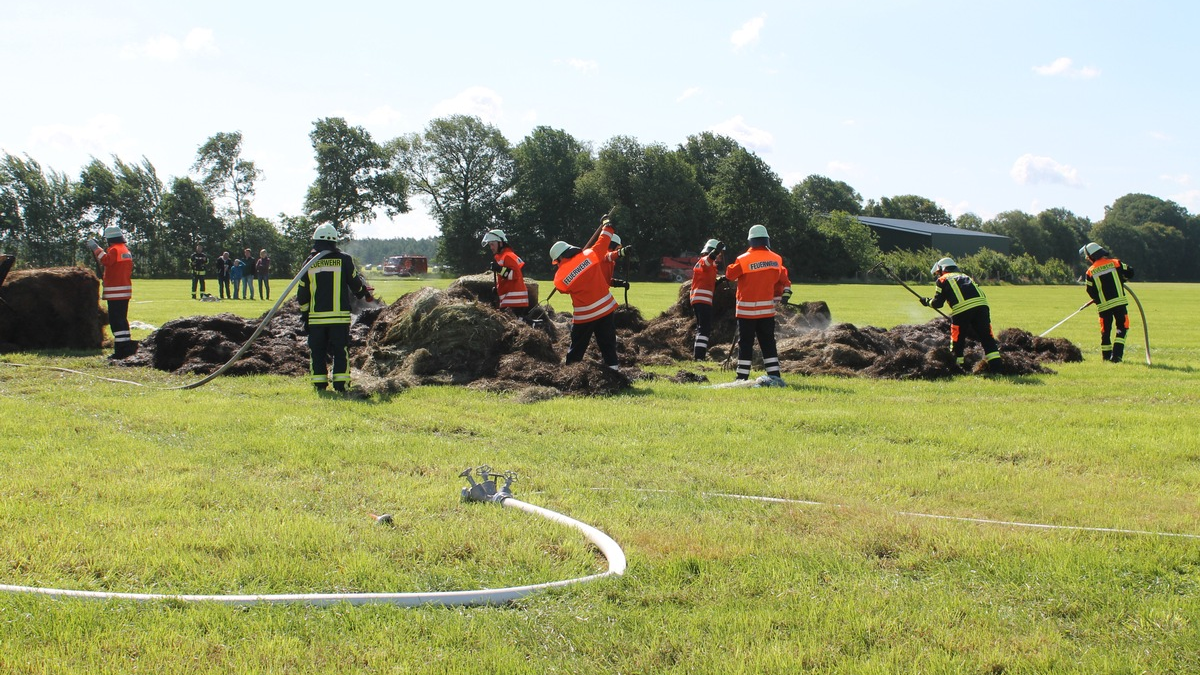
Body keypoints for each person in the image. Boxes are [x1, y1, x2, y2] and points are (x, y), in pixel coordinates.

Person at [297, 224, 374, 393]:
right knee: (340, 350)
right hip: (339, 317)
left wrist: (305, 314)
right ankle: (341, 385)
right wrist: (363, 293)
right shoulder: (344, 259)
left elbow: (302, 293)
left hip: (316, 318)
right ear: (334, 241)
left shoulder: (309, 262)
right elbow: (355, 283)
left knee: (317, 351)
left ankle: (319, 385)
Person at [550, 215, 623, 371]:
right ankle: (614, 370)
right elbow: (603, 241)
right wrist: (607, 225)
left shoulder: (559, 277)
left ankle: (570, 372)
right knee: (607, 343)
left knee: (577, 346)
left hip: (585, 316)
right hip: (605, 309)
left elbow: (563, 289)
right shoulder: (590, 255)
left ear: (560, 258)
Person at [725, 225, 791, 385]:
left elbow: (730, 275)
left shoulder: (743, 259)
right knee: (768, 342)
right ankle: (774, 374)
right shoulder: (776, 259)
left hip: (746, 311)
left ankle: (742, 377)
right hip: (767, 311)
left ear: (751, 241)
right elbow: (781, 281)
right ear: (766, 240)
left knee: (746, 343)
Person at [921, 257, 1001, 369]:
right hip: (982, 306)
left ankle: (959, 366)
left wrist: (927, 302)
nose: (939, 275)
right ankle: (997, 366)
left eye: (939, 273)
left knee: (957, 338)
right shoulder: (965, 276)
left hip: (962, 309)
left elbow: (937, 303)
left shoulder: (942, 280)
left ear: (943, 269)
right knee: (986, 337)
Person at [1080, 242, 1135, 362]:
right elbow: (1130, 272)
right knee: (1122, 328)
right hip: (1119, 304)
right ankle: (1116, 357)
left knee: (1105, 332)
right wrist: (1123, 278)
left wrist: (1097, 300)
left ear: (1092, 256)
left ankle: (1106, 357)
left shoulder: (1090, 272)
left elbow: (1090, 290)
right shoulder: (1116, 263)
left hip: (1104, 307)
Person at [87, 226, 136, 359]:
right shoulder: (125, 249)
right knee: (122, 319)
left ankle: (121, 350)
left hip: (115, 292)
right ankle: (126, 344)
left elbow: (106, 260)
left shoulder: (114, 250)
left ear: (109, 239)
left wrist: (96, 248)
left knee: (115, 320)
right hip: (124, 290)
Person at [690, 238, 725, 360]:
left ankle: (698, 355)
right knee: (704, 328)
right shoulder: (706, 260)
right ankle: (699, 356)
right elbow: (708, 260)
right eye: (719, 254)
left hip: (698, 299)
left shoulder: (707, 265)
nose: (720, 257)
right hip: (703, 300)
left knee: (701, 327)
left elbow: (706, 281)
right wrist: (716, 251)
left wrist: (719, 281)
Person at [481, 229, 529, 317]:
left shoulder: (508, 256)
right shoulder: (502, 256)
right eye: (490, 245)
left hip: (514, 300)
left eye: (492, 244)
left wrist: (499, 269)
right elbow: (505, 278)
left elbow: (515, 275)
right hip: (510, 299)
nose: (491, 247)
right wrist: (498, 288)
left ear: (500, 243)